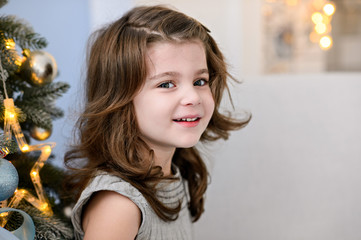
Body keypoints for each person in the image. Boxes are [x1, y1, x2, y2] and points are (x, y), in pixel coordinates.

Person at [64, 5, 250, 240]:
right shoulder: (119, 204)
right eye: (166, 84)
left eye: (199, 81)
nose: (193, 97)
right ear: (120, 98)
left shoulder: (172, 174)